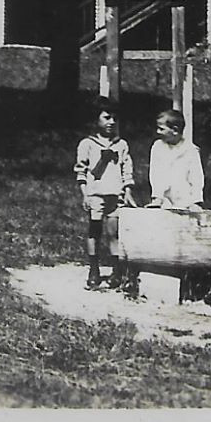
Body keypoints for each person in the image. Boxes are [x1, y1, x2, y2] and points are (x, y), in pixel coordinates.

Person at [74, 103, 136, 290]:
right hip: (95, 195)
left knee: (113, 232)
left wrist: (127, 190)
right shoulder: (88, 144)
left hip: (115, 196)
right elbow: (81, 171)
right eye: (106, 118)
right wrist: (85, 194)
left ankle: (116, 270)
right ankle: (94, 269)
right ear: (96, 120)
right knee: (95, 231)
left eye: (114, 119)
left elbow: (127, 169)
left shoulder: (121, 144)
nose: (111, 122)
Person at [146, 109, 205, 210]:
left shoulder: (191, 150)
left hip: (186, 201)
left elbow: (196, 177)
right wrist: (157, 197)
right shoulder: (158, 147)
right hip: (164, 201)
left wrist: (196, 201)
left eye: (161, 129)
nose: (157, 132)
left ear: (174, 130)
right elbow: (155, 174)